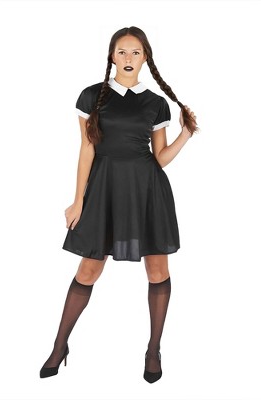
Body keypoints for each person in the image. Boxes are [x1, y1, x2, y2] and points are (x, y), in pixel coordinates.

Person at [40, 26, 198, 383]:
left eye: (136, 52)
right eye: (122, 52)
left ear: (145, 58)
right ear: (111, 56)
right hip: (104, 189)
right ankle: (59, 346)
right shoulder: (91, 96)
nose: (128, 58)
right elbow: (87, 149)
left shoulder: (155, 103)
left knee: (157, 271)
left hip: (147, 191)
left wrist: (186, 134)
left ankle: (154, 350)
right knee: (88, 270)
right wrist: (78, 200)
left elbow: (159, 158)